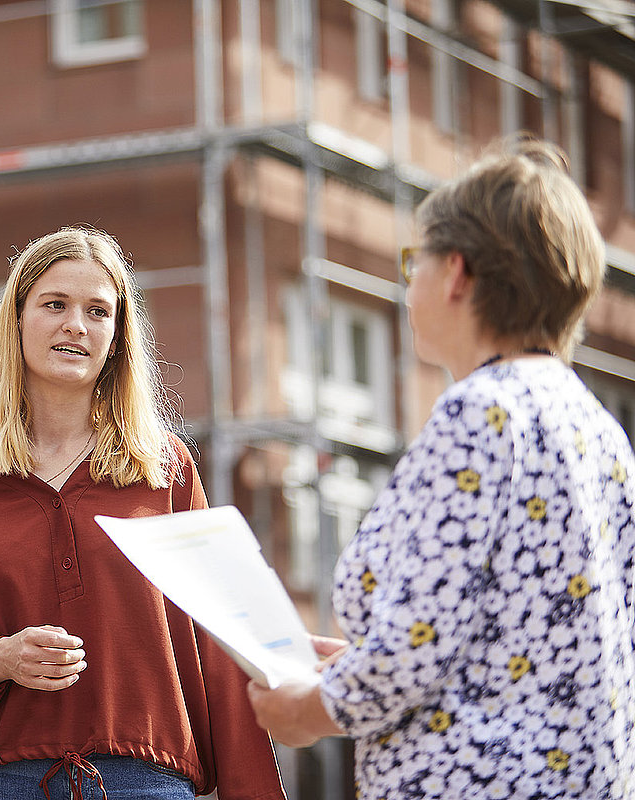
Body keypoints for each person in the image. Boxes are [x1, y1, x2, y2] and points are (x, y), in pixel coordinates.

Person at [246, 136, 635, 799]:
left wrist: (306, 711)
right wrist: (358, 669)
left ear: (456, 273)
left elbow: (415, 650)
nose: (408, 283)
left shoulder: (478, 414)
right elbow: (512, 640)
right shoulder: (597, 427)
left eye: (412, 262)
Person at [0, 226, 285, 800]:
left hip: (148, 783)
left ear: (118, 336)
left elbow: (220, 649)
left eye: (98, 311)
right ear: (16, 321)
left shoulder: (165, 470)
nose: (76, 324)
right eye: (55, 304)